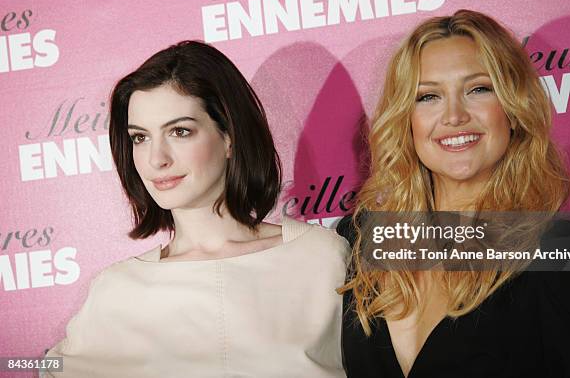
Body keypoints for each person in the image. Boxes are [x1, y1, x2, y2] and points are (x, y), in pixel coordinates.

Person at [44, 41, 349, 377]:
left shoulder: (324, 259)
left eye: (180, 131)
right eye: (140, 137)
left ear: (229, 136)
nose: (157, 159)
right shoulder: (116, 290)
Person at [336, 10, 570, 377]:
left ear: (513, 110)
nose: (454, 115)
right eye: (428, 96)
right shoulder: (364, 238)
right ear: (406, 120)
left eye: (478, 89)